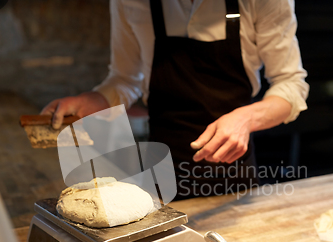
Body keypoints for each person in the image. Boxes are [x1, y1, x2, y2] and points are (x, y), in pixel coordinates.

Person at [41, 0, 309, 199]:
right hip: (160, 173)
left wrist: (246, 118)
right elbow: (126, 78)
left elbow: (291, 84)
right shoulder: (131, 2)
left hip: (232, 179)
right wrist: (95, 99)